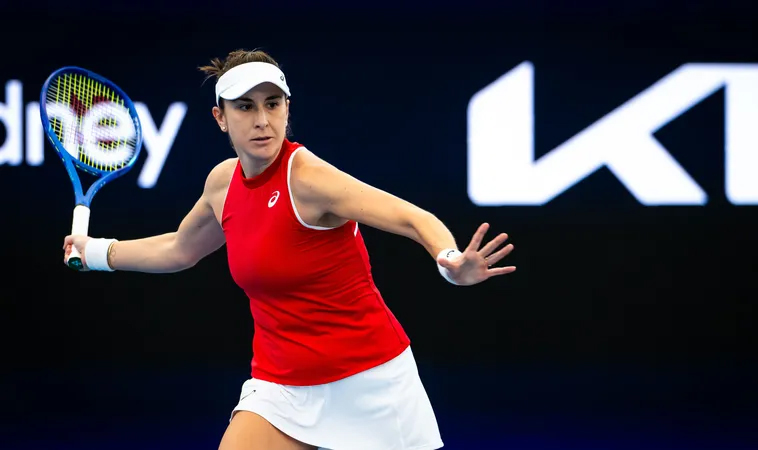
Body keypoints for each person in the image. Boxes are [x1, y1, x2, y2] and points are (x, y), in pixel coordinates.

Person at [62, 49, 516, 450]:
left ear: (286, 109)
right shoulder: (222, 184)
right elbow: (180, 249)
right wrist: (98, 252)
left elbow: (412, 217)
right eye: (245, 107)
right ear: (220, 117)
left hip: (370, 380)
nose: (262, 119)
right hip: (281, 386)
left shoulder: (309, 179)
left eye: (272, 104)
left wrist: (449, 261)